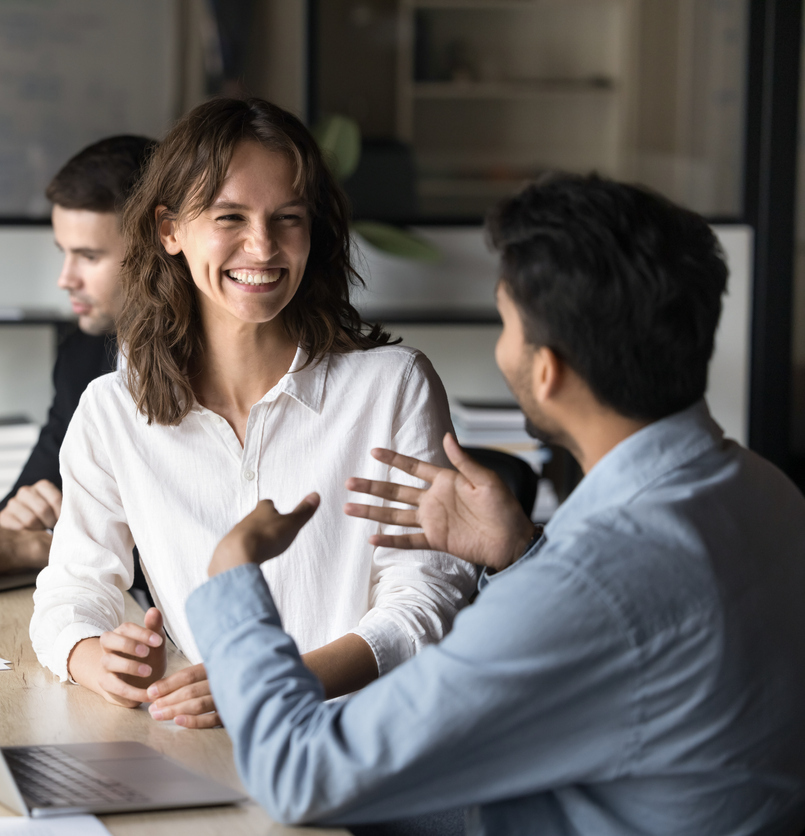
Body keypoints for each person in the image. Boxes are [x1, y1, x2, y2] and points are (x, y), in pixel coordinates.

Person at [187, 174, 805, 833]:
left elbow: (298, 776)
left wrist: (232, 578)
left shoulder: (591, 583)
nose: (500, 346)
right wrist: (521, 555)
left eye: (505, 322)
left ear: (547, 370)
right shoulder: (765, 490)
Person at [29, 97, 477, 728]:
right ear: (170, 231)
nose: (262, 246)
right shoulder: (113, 410)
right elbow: (72, 587)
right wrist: (89, 655)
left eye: (287, 218)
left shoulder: (392, 386)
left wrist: (277, 683)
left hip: (367, 741)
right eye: (230, 216)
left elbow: (426, 599)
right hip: (205, 741)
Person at [0, 135, 156, 575]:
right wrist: (13, 524)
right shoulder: (82, 357)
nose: (65, 279)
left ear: (158, 253)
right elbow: (18, 510)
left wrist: (35, 549)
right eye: (63, 253)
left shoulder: (221, 364)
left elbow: (192, 546)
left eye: (88, 256)